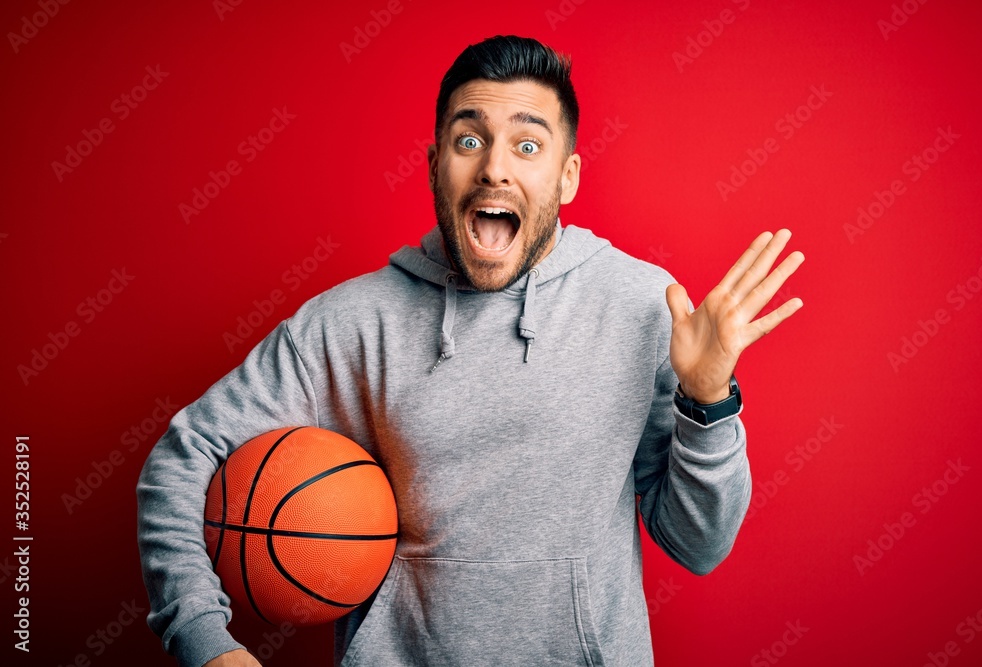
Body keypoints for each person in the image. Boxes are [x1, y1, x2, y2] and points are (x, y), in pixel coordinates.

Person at [136, 35, 804, 667]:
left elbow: (698, 545)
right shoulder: (352, 322)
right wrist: (204, 637)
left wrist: (707, 400)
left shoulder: (642, 305)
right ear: (435, 164)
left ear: (567, 177)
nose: (494, 167)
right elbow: (185, 452)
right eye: (469, 139)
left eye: (526, 145)